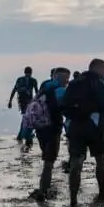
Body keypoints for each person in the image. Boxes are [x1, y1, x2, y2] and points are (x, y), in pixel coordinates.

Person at [62, 58, 104, 206]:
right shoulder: (99, 83)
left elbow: (64, 106)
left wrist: (76, 115)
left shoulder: (74, 83)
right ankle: (102, 192)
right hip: (94, 127)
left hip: (76, 127)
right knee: (101, 160)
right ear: (98, 69)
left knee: (76, 163)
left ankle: (73, 199)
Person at [28, 67, 70, 200]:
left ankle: (43, 189)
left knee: (46, 158)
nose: (67, 81)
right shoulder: (60, 91)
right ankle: (43, 191)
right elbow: (66, 109)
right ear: (62, 78)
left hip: (40, 129)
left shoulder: (43, 89)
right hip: (53, 129)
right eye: (66, 79)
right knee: (49, 163)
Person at [9, 67, 39, 150]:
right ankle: (22, 135)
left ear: (24, 72)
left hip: (22, 102)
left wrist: (10, 101)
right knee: (27, 118)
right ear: (31, 72)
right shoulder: (33, 80)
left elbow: (14, 90)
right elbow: (37, 92)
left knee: (25, 118)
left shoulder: (20, 79)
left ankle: (21, 135)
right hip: (29, 102)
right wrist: (38, 103)